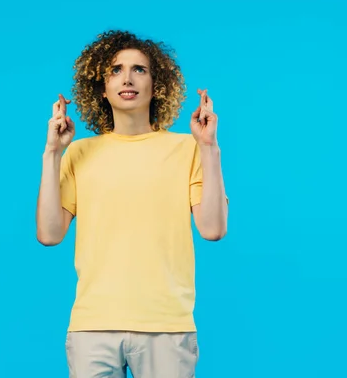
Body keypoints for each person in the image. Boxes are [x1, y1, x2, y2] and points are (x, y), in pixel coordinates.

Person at [36, 30, 228, 378]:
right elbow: (49, 234)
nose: (127, 78)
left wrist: (209, 147)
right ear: (101, 86)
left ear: (158, 85)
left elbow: (212, 229)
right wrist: (53, 153)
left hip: (166, 325)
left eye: (139, 69)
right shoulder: (78, 153)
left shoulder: (188, 149)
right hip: (92, 325)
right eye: (115, 70)